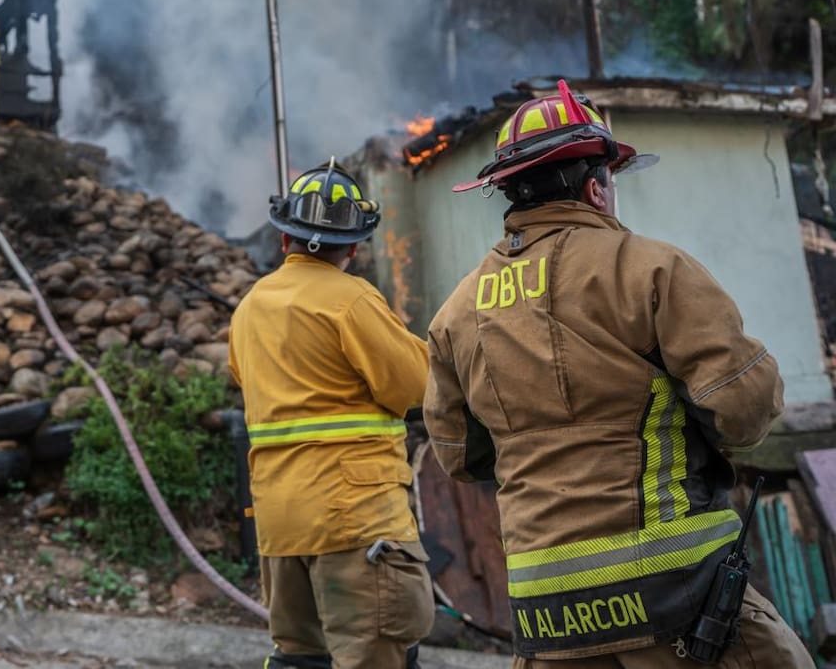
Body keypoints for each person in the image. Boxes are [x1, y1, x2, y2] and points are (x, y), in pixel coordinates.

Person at [423, 80, 812, 668]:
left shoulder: (456, 312)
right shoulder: (650, 269)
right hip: (673, 595)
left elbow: (459, 455)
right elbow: (746, 409)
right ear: (595, 186)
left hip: (545, 612)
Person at [229, 159, 436, 669]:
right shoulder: (352, 300)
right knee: (375, 652)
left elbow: (244, 378)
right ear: (354, 246)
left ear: (284, 240)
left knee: (301, 658)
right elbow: (417, 386)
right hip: (354, 518)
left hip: (281, 523)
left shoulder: (250, 307)